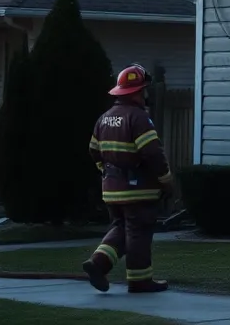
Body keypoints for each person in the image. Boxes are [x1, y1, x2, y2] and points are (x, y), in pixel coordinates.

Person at [83, 64, 173, 294]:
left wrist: (107, 171)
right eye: (143, 90)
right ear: (136, 92)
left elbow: (94, 149)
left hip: (111, 189)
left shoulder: (104, 118)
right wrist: (166, 180)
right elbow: (153, 153)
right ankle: (140, 281)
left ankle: (98, 263)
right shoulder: (139, 118)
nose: (145, 95)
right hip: (138, 190)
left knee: (121, 228)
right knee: (139, 233)